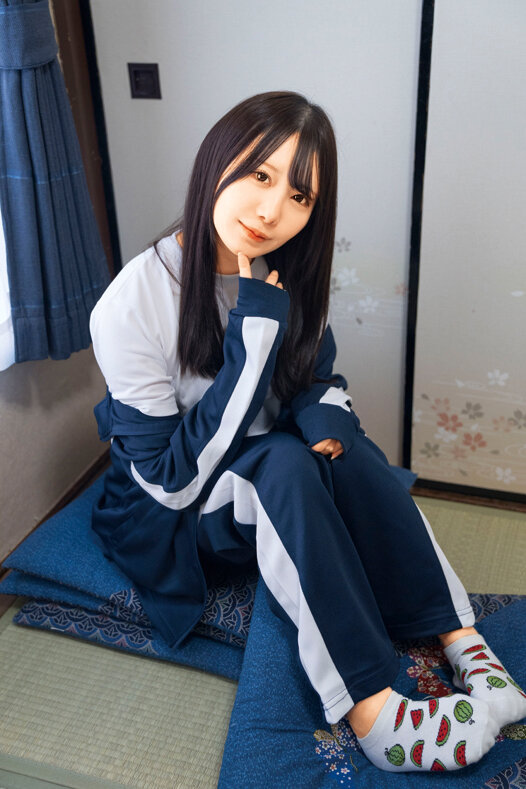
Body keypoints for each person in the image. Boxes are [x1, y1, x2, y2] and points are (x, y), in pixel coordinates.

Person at [89, 90, 525, 773]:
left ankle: (461, 640)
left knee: (350, 454)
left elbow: (318, 378)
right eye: (259, 175)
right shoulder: (131, 304)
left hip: (262, 472)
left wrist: (323, 416)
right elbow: (171, 483)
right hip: (172, 510)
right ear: (215, 161)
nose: (272, 211)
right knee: (285, 467)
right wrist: (255, 331)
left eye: (299, 196)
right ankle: (374, 710)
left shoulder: (287, 273)